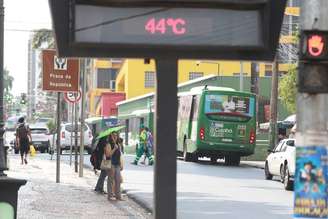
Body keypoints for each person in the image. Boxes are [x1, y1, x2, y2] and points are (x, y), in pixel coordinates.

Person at [107, 131, 124, 201]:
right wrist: (114, 149)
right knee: (111, 180)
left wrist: (121, 164)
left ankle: (118, 196)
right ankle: (110, 195)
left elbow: (120, 155)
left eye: (116, 135)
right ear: (110, 136)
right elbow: (108, 155)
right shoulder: (109, 144)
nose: (115, 137)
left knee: (118, 180)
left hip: (117, 164)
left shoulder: (118, 144)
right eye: (113, 135)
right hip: (111, 164)